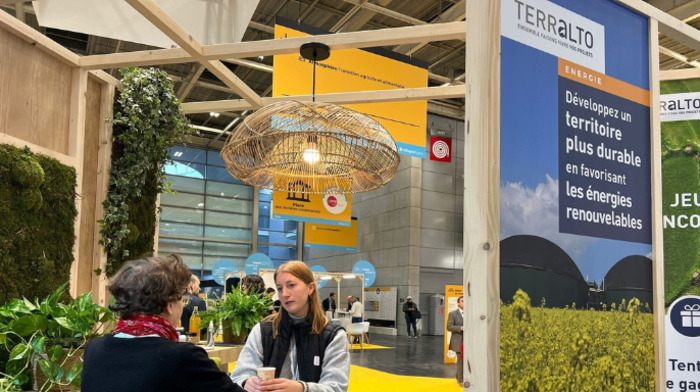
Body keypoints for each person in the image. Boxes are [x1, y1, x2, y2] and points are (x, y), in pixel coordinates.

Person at [81, 254, 244, 392]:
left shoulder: (94, 349)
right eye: (181, 299)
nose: (183, 305)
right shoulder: (182, 357)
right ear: (169, 305)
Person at [230, 261, 350, 392]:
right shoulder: (263, 330)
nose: (284, 294)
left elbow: (336, 387)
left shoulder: (333, 336)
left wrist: (303, 389)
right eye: (280, 288)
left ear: (311, 288)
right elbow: (238, 376)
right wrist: (246, 382)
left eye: (291, 285)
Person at [447, 296, 465, 387]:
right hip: (458, 341)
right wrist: (461, 328)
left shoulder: (470, 313)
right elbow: (449, 327)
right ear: (458, 303)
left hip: (468, 342)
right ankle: (461, 380)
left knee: (463, 360)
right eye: (462, 301)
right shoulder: (452, 314)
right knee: (460, 360)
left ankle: (458, 377)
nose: (464, 303)